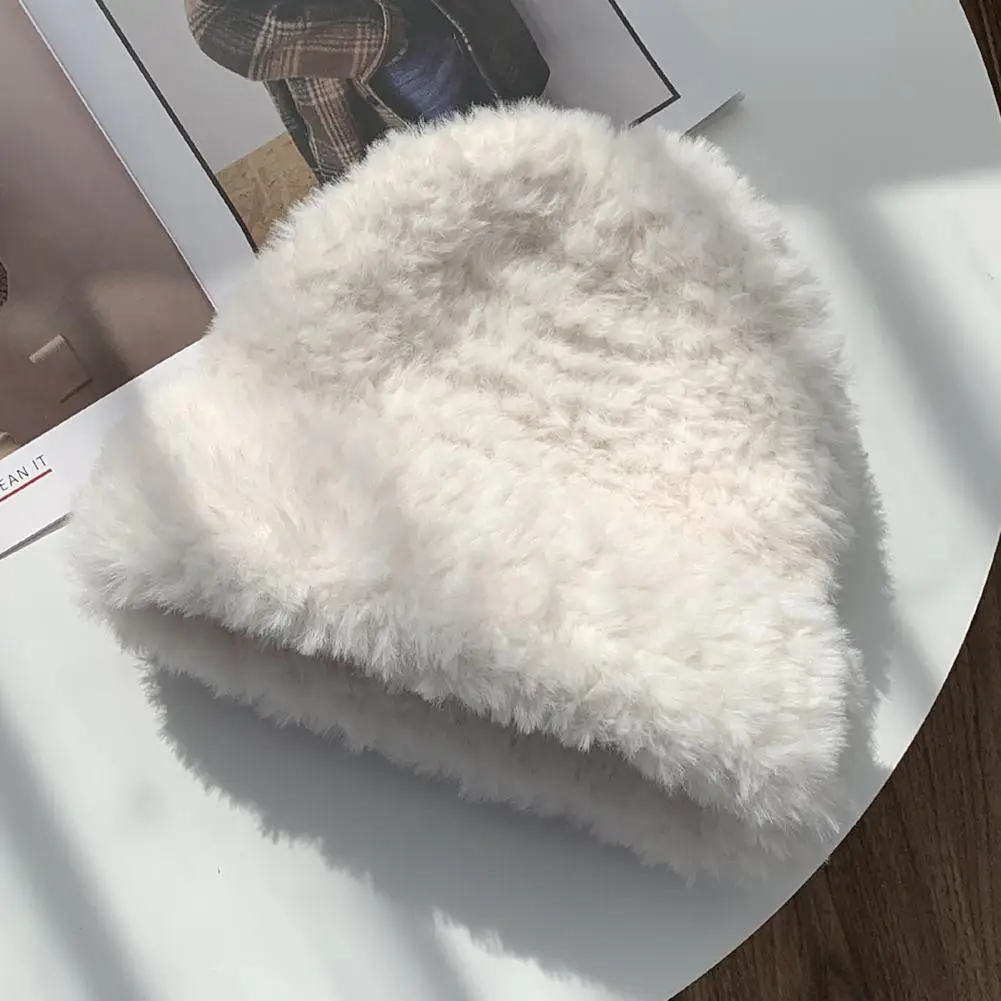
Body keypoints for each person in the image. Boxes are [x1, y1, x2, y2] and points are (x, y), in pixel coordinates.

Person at [185, 0, 550, 185]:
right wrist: (381, 37)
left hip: (445, 20)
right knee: (481, 181)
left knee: (529, 150)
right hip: (386, 69)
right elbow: (214, 25)